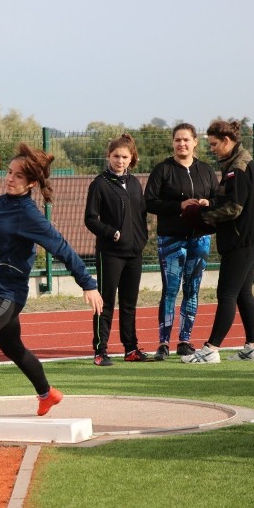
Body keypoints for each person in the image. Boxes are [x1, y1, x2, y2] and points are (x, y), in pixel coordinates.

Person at [0, 143, 103, 418]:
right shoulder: (1, 205)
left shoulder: (29, 214)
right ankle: (48, 394)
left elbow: (63, 247)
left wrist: (88, 283)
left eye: (18, 176)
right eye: (9, 172)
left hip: (7, 294)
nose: (10, 178)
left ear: (31, 182)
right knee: (14, 349)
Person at [180, 120, 254, 364]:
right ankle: (253, 347)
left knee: (227, 293)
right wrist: (210, 205)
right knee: (243, 294)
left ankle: (211, 349)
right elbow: (230, 201)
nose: (212, 148)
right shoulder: (236, 162)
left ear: (227, 141)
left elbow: (233, 208)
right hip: (250, 236)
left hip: (243, 238)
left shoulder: (237, 167)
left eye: (214, 144)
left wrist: (201, 217)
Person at [144, 123, 219, 361]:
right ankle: (163, 343)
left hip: (200, 239)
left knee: (192, 290)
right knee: (170, 290)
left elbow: (219, 198)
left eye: (186, 139)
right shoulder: (162, 170)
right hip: (171, 239)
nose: (181, 144)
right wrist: (179, 206)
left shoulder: (206, 170)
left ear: (195, 142)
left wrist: (208, 203)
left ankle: (185, 340)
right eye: (177, 140)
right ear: (173, 143)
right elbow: (149, 202)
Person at [84, 134, 149, 366]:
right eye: (115, 156)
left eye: (124, 157)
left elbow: (141, 215)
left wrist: (142, 239)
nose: (119, 161)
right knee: (106, 302)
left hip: (134, 252)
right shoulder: (100, 184)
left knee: (130, 303)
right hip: (110, 253)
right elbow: (90, 219)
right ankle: (100, 351)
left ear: (132, 158)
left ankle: (130, 349)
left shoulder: (134, 183)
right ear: (108, 157)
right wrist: (111, 232)